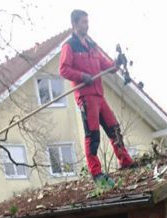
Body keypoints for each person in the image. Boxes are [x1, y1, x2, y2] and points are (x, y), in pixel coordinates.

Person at [59, 9, 135, 187]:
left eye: (87, 21)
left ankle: (125, 161)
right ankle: (96, 173)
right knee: (92, 134)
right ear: (75, 24)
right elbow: (63, 69)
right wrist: (81, 76)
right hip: (86, 96)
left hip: (99, 95)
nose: (87, 25)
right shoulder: (69, 46)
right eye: (84, 22)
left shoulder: (92, 45)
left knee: (114, 128)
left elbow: (106, 66)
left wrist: (117, 63)